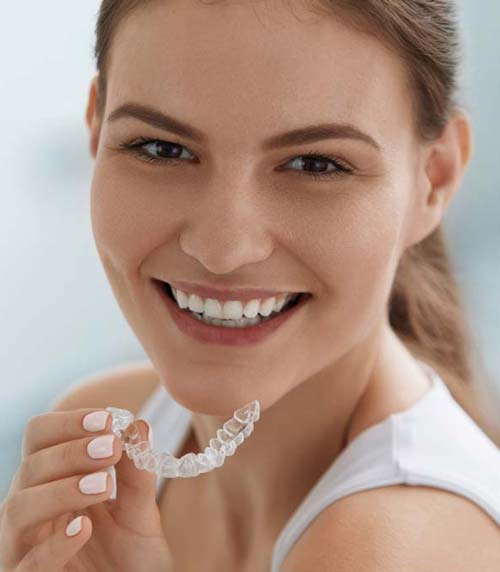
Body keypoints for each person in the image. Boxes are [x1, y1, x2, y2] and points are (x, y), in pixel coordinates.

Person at [2, 0, 500, 570]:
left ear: (432, 181)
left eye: (315, 164)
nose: (221, 250)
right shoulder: (106, 442)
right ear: (96, 127)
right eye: (162, 148)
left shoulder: (389, 550)